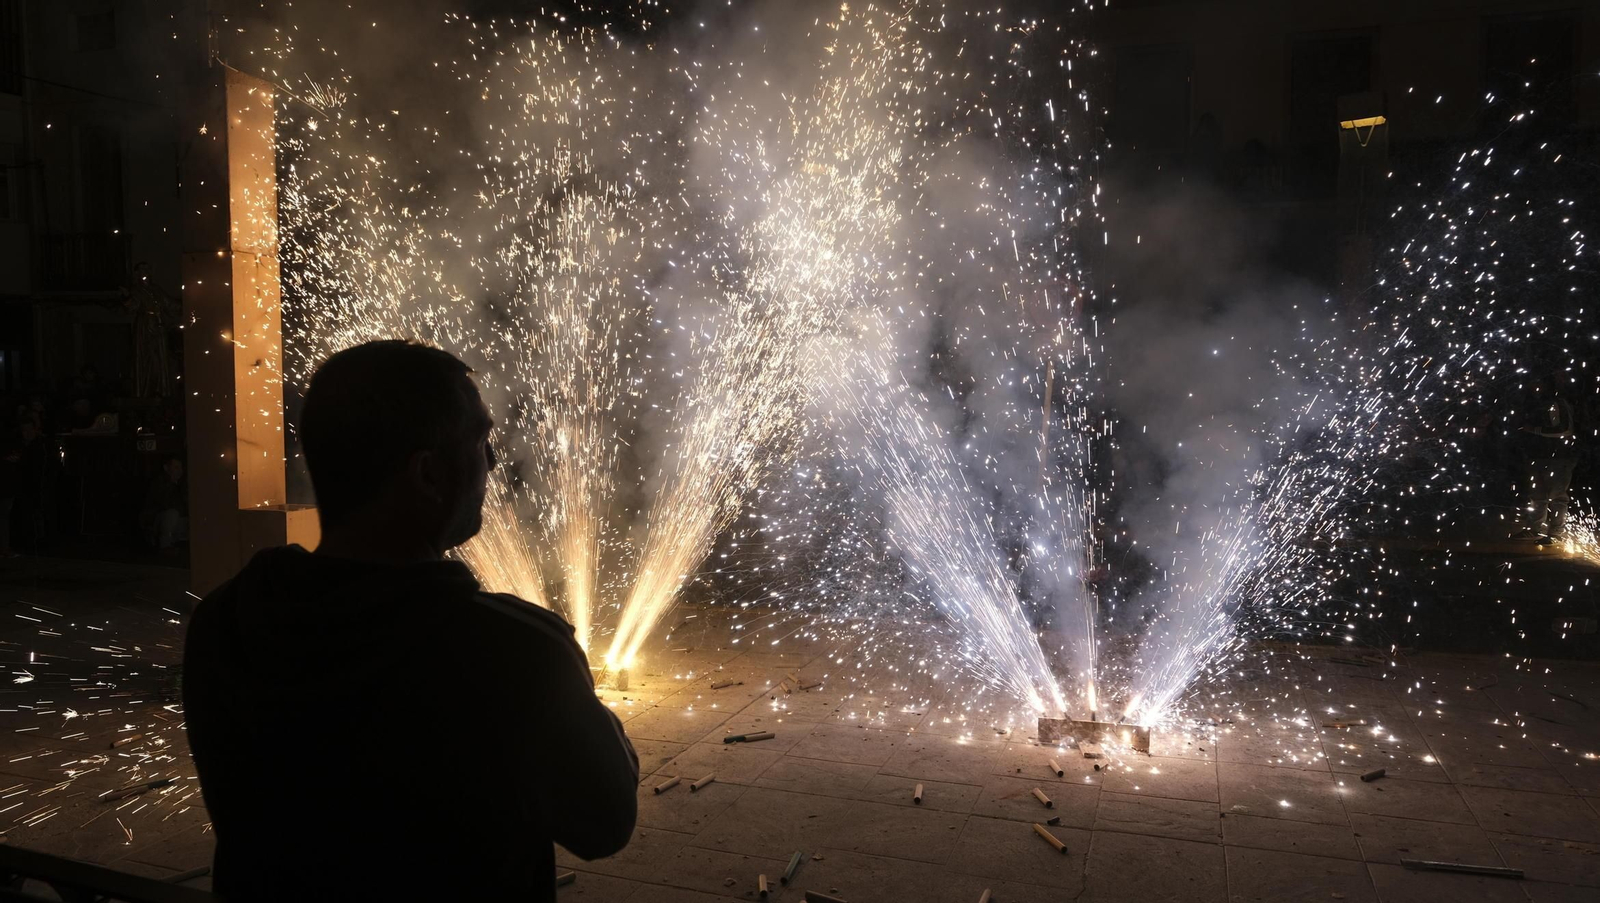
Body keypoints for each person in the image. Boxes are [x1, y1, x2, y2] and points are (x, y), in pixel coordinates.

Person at [183, 340, 638, 902]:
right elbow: (605, 824)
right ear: (427, 473)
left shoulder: (226, 624)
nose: (493, 462)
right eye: (480, 441)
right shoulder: (515, 652)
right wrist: (588, 709)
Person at [1515, 379, 1578, 543]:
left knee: (1557, 495)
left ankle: (1556, 532)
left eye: (1538, 383)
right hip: (1539, 455)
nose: (1534, 387)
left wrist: (1535, 430)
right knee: (1537, 495)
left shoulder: (1557, 402)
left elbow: (1565, 429)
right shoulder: (1535, 403)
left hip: (1558, 456)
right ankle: (1535, 529)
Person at [139, 456, 188, 553]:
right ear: (166, 468)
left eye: (180, 467)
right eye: (176, 467)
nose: (180, 471)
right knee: (172, 514)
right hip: (156, 520)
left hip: (175, 519)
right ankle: (165, 545)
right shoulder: (159, 483)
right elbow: (165, 504)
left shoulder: (182, 484)